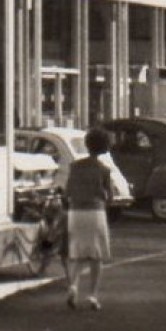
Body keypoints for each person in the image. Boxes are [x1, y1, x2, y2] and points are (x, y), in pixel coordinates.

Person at [62, 127, 116, 311]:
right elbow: (110, 197)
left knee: (76, 254)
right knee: (96, 256)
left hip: (75, 213)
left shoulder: (75, 167)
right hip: (95, 213)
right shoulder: (104, 170)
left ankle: (73, 286)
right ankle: (92, 295)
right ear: (105, 147)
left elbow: (67, 192)